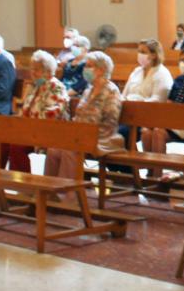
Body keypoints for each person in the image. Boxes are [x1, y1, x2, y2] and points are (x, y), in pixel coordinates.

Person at [46, 52, 121, 188]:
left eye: (89, 66)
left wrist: (87, 133)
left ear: (101, 69)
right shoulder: (88, 90)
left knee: (70, 151)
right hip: (80, 135)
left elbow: (111, 120)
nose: (85, 69)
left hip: (102, 137)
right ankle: (49, 191)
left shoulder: (111, 90)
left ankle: (67, 195)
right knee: (53, 150)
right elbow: (79, 116)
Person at [7, 50, 69, 172]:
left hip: (49, 132)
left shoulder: (56, 86)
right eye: (32, 69)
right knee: (3, 141)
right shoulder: (36, 86)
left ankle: (24, 184)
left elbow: (54, 113)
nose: (33, 72)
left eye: (37, 69)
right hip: (31, 130)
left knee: (17, 146)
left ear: (48, 71)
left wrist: (29, 123)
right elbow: (25, 110)